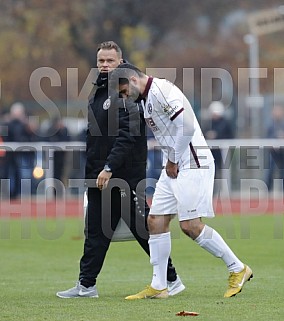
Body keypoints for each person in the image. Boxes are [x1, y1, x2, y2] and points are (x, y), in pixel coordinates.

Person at [110, 63, 253, 299]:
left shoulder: (163, 91)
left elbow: (185, 127)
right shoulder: (145, 98)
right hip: (174, 164)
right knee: (155, 221)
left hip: (193, 163)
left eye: (124, 92)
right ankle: (160, 285)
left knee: (190, 226)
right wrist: (171, 161)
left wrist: (173, 159)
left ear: (133, 80)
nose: (124, 97)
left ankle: (237, 268)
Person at [56, 41, 184, 299]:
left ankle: (171, 279)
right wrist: (95, 170)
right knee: (95, 231)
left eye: (110, 61)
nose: (104, 65)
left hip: (124, 176)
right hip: (98, 175)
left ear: (121, 62)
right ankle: (86, 285)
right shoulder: (98, 92)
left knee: (143, 229)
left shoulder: (126, 91)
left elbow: (128, 135)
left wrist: (109, 167)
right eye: (101, 61)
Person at [203, 101, 234, 195]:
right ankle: (213, 192)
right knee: (212, 173)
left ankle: (226, 191)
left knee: (224, 172)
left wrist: (217, 136)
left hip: (222, 153)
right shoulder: (208, 123)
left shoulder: (225, 123)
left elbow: (230, 136)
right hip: (211, 152)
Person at [265, 105, 284, 191]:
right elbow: (267, 136)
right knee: (270, 170)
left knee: (282, 171)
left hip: (282, 152)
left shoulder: (282, 124)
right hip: (272, 152)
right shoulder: (270, 124)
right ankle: (268, 189)